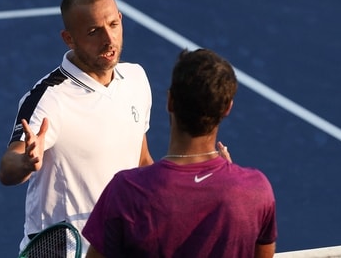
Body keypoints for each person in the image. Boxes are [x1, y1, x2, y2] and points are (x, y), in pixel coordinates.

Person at [0, 0, 155, 254]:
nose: (109, 39)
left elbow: (141, 162)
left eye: (113, 25)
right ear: (69, 39)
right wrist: (25, 161)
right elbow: (7, 168)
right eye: (94, 32)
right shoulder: (49, 99)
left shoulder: (136, 79)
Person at [83, 48, 278, 258]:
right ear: (227, 108)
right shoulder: (256, 191)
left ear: (170, 101)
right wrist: (233, 184)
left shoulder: (125, 191)